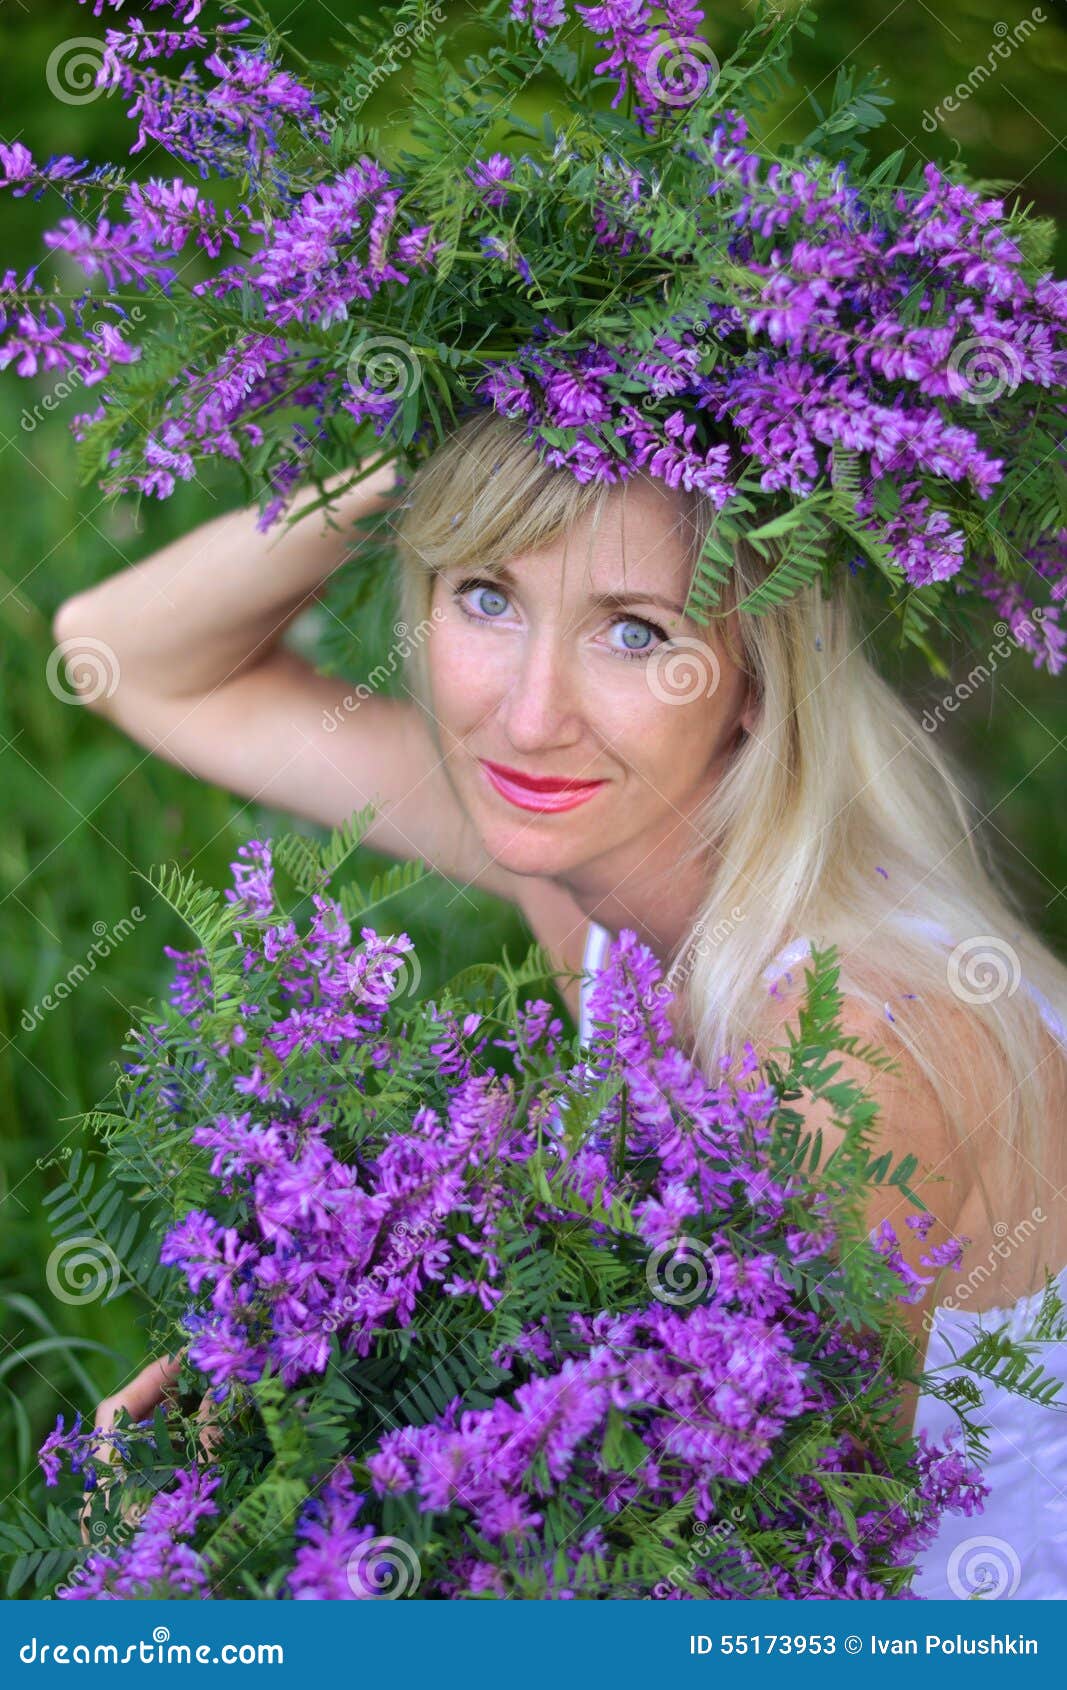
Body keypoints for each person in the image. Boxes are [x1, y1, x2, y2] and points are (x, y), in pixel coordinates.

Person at [53, 408, 1067, 1594]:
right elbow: (113, 651)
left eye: (633, 633)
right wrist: (424, 436)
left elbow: (769, 1596)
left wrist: (213, 1558)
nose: (529, 715)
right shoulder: (595, 858)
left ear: (752, 679)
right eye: (485, 594)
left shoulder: (851, 1050)